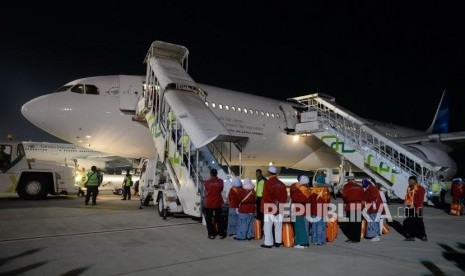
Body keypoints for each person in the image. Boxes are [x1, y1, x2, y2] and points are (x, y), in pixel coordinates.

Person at [260, 166, 288, 248]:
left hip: (269, 207)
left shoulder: (267, 183)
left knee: (268, 226)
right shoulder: (282, 184)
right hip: (280, 208)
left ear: (269, 173)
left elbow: (266, 196)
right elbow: (285, 197)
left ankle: (268, 243)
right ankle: (278, 242)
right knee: (278, 225)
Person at [203, 169, 226, 239]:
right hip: (217, 202)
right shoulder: (220, 181)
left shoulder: (206, 182)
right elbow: (221, 190)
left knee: (209, 219)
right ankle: (221, 233)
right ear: (216, 174)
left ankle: (211, 234)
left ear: (210, 174)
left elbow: (206, 190)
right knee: (219, 218)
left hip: (209, 203)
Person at [403, 175, 427, 241]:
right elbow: (407, 197)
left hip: (417, 209)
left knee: (419, 222)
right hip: (410, 208)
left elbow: (420, 200)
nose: (408, 182)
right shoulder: (409, 188)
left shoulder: (420, 188)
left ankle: (423, 235)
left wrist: (417, 209)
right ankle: (411, 236)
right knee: (410, 222)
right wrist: (406, 205)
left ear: (414, 181)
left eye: (410, 181)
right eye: (408, 181)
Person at [290, 175, 311, 248]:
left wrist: (296, 185)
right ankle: (302, 242)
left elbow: (293, 197)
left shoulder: (298, 189)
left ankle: (302, 242)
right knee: (303, 226)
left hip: (298, 209)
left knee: (299, 226)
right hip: (304, 209)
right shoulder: (307, 190)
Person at [341, 175, 364, 243]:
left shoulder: (347, 186)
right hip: (359, 205)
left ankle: (352, 238)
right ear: (354, 180)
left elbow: (344, 196)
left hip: (351, 205)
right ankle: (357, 238)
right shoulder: (360, 187)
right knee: (358, 223)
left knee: (352, 223)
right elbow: (363, 196)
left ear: (348, 180)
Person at [310, 177, 331, 245]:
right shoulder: (326, 191)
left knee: (314, 226)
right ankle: (321, 240)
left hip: (314, 210)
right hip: (323, 211)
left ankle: (314, 240)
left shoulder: (313, 190)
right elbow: (328, 202)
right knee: (321, 226)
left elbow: (310, 201)